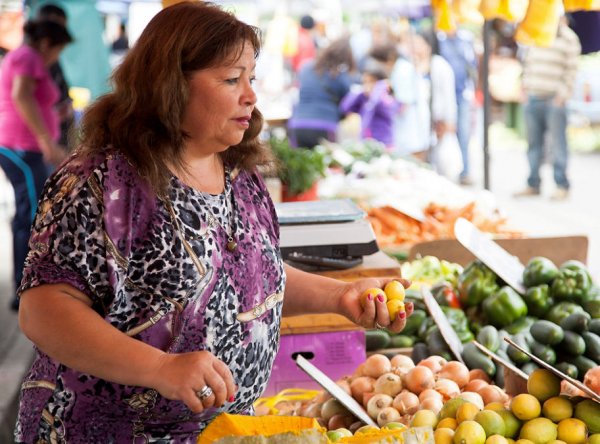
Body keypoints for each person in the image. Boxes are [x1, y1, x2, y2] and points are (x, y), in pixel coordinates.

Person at [14, 3, 413, 442]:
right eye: (231, 79)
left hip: (222, 431)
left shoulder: (239, 173)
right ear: (170, 86)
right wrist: (161, 368)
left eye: (251, 78)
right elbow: (44, 312)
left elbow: (248, 280)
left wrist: (340, 296)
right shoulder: (100, 183)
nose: (251, 95)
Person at [0, 19, 71, 312]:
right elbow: (21, 95)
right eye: (57, 51)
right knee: (31, 215)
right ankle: (23, 287)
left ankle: (29, 283)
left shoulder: (26, 57)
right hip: (21, 146)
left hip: (26, 147)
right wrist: (45, 140)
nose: (56, 57)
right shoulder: (28, 57)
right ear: (46, 44)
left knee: (32, 213)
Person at [515, 17, 581, 200]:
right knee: (533, 144)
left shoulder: (569, 38)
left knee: (558, 145)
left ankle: (561, 184)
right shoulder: (536, 33)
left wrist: (562, 96)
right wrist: (525, 88)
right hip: (534, 96)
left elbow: (572, 70)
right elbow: (527, 63)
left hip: (554, 99)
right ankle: (533, 183)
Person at [390, 32, 457, 164]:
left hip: (437, 120)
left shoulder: (439, 65)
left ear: (428, 45)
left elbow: (448, 96)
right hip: (421, 122)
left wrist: (448, 120)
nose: (413, 47)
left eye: (417, 43)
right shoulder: (411, 65)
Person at [287, 37, 357, 149]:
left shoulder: (305, 67)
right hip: (325, 126)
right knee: (326, 165)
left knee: (300, 165)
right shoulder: (341, 76)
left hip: (298, 125)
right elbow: (347, 105)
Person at [437, 28, 478, 185]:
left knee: (464, 133)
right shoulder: (439, 39)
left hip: (462, 93)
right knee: (442, 131)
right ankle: (440, 170)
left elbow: (472, 65)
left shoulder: (465, 39)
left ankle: (465, 171)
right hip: (444, 94)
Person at [36, 3, 74, 152]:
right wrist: (46, 141)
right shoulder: (29, 59)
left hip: (55, 139)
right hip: (40, 146)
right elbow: (21, 98)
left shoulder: (50, 59)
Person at [339, 60, 400, 148]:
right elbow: (345, 107)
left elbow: (377, 103)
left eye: (371, 81)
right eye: (365, 82)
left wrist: (380, 87)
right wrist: (359, 91)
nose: (367, 85)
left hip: (384, 145)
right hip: (366, 145)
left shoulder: (387, 98)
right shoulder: (364, 99)